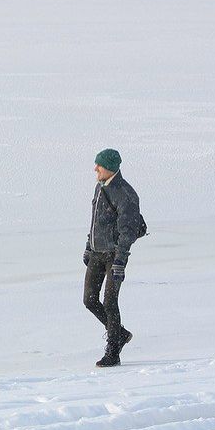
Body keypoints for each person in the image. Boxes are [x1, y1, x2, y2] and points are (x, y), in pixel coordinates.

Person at [83, 148, 140, 367]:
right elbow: (95, 220)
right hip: (97, 252)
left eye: (99, 165)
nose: (95, 169)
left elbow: (128, 230)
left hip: (114, 257)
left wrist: (120, 260)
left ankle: (113, 353)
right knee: (89, 300)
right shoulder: (100, 187)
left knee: (109, 302)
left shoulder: (126, 193)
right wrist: (89, 245)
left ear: (110, 168)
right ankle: (121, 334)